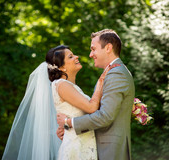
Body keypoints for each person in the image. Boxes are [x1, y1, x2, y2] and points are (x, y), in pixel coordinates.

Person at [1, 44, 119, 160]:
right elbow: (92, 107)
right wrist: (101, 81)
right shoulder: (62, 85)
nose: (76, 57)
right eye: (71, 57)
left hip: (83, 144)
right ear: (62, 68)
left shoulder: (69, 86)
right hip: (76, 148)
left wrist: (66, 125)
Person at [57, 29, 135, 160]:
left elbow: (105, 116)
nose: (90, 54)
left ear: (108, 47)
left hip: (109, 151)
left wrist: (70, 122)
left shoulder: (116, 74)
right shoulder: (112, 73)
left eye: (93, 49)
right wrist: (70, 131)